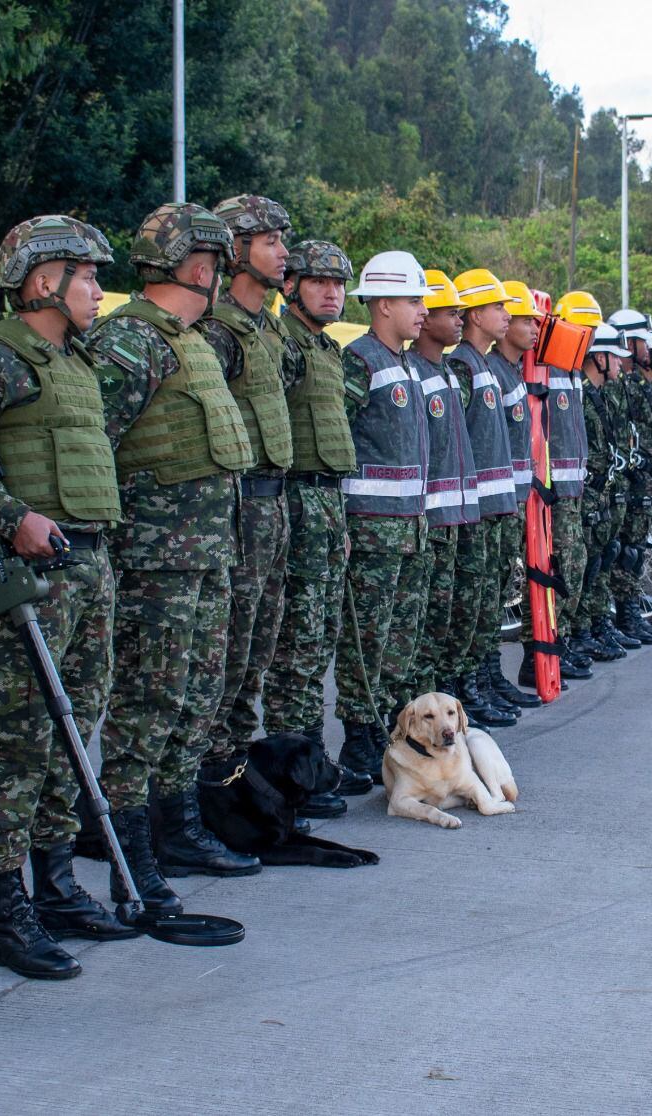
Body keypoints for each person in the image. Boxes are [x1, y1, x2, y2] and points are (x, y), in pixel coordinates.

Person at [0, 216, 137, 981]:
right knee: (14, 740)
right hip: (32, 579)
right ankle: (7, 909)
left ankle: (56, 886)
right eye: (88, 276)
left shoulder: (77, 361)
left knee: (73, 731)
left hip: (88, 565)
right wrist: (9, 516)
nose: (99, 290)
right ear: (43, 281)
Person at [88, 203, 261, 889]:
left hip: (206, 557)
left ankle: (179, 827)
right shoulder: (129, 342)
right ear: (198, 268)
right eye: (216, 265)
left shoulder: (189, 340)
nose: (218, 278)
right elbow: (91, 450)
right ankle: (130, 842)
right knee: (147, 702)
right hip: (153, 565)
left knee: (196, 695)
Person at [259, 240, 371, 811]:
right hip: (296, 499)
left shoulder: (326, 348)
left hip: (327, 503)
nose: (332, 293)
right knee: (296, 649)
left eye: (338, 284)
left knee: (320, 638)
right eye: (318, 282)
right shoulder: (283, 346)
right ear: (291, 287)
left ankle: (313, 762)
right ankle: (293, 775)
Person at [196, 196, 298, 814]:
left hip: (272, 506)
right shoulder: (217, 329)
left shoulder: (268, 328)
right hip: (236, 510)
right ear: (235, 249)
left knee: (257, 650)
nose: (283, 252)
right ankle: (211, 786)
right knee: (227, 655)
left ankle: (236, 777)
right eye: (269, 241)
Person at [335, 251, 432, 782]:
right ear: (385, 304)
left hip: (410, 525)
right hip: (371, 526)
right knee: (367, 637)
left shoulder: (409, 365)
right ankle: (358, 736)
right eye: (414, 301)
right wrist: (343, 520)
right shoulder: (359, 361)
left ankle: (387, 728)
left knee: (400, 637)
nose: (423, 311)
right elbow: (339, 441)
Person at [446, 268, 533, 723]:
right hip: (475, 509)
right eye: (498, 307)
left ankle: (484, 678)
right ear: (475, 315)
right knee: (471, 606)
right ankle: (469, 687)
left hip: (496, 505)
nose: (506, 315)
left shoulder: (482, 365)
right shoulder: (463, 365)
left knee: (489, 603)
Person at [495, 280, 591, 688]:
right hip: (525, 495)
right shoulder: (518, 371)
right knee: (534, 574)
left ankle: (552, 647)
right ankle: (535, 656)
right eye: (526, 321)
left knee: (569, 568)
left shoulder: (560, 371)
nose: (534, 329)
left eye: (538, 323)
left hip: (559, 490)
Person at [406, 269, 482, 709]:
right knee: (423, 624)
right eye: (449, 313)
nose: (459, 320)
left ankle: (448, 700)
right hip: (428, 519)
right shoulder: (414, 371)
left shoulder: (450, 372)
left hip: (456, 515)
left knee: (450, 618)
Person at [545, 291, 601, 666]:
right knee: (562, 571)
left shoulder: (571, 372)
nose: (590, 338)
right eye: (586, 329)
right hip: (554, 493)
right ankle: (549, 647)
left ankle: (562, 640)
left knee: (575, 567)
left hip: (573, 491)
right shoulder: (547, 371)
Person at [609, 309, 652, 647]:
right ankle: (620, 616)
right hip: (624, 478)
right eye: (643, 342)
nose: (649, 348)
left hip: (639, 476)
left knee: (633, 548)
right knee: (621, 550)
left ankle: (628, 611)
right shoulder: (622, 385)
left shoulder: (639, 384)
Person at [579, 322, 633, 660]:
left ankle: (597, 625)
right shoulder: (582, 395)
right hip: (587, 493)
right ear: (600, 358)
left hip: (603, 492)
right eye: (615, 357)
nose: (620, 364)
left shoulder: (599, 394)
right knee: (585, 565)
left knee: (602, 557)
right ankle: (581, 631)